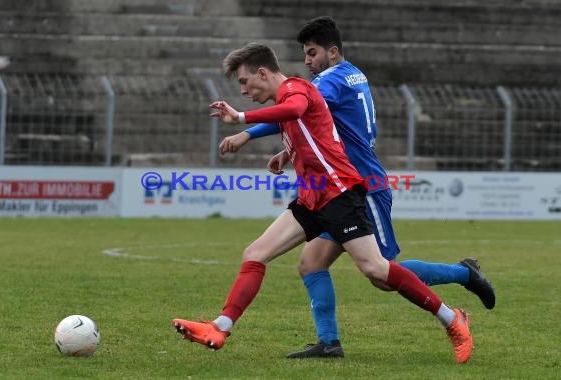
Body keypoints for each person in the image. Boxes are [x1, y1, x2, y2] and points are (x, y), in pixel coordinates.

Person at [173, 42, 473, 364]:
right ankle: (220, 327)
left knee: (376, 269)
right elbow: (311, 128)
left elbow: (295, 110)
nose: (243, 90)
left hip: (340, 195)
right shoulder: (287, 96)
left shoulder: (295, 89)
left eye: (245, 82)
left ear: (263, 73)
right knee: (256, 253)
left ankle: (451, 318)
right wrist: (288, 153)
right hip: (313, 198)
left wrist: (242, 120)